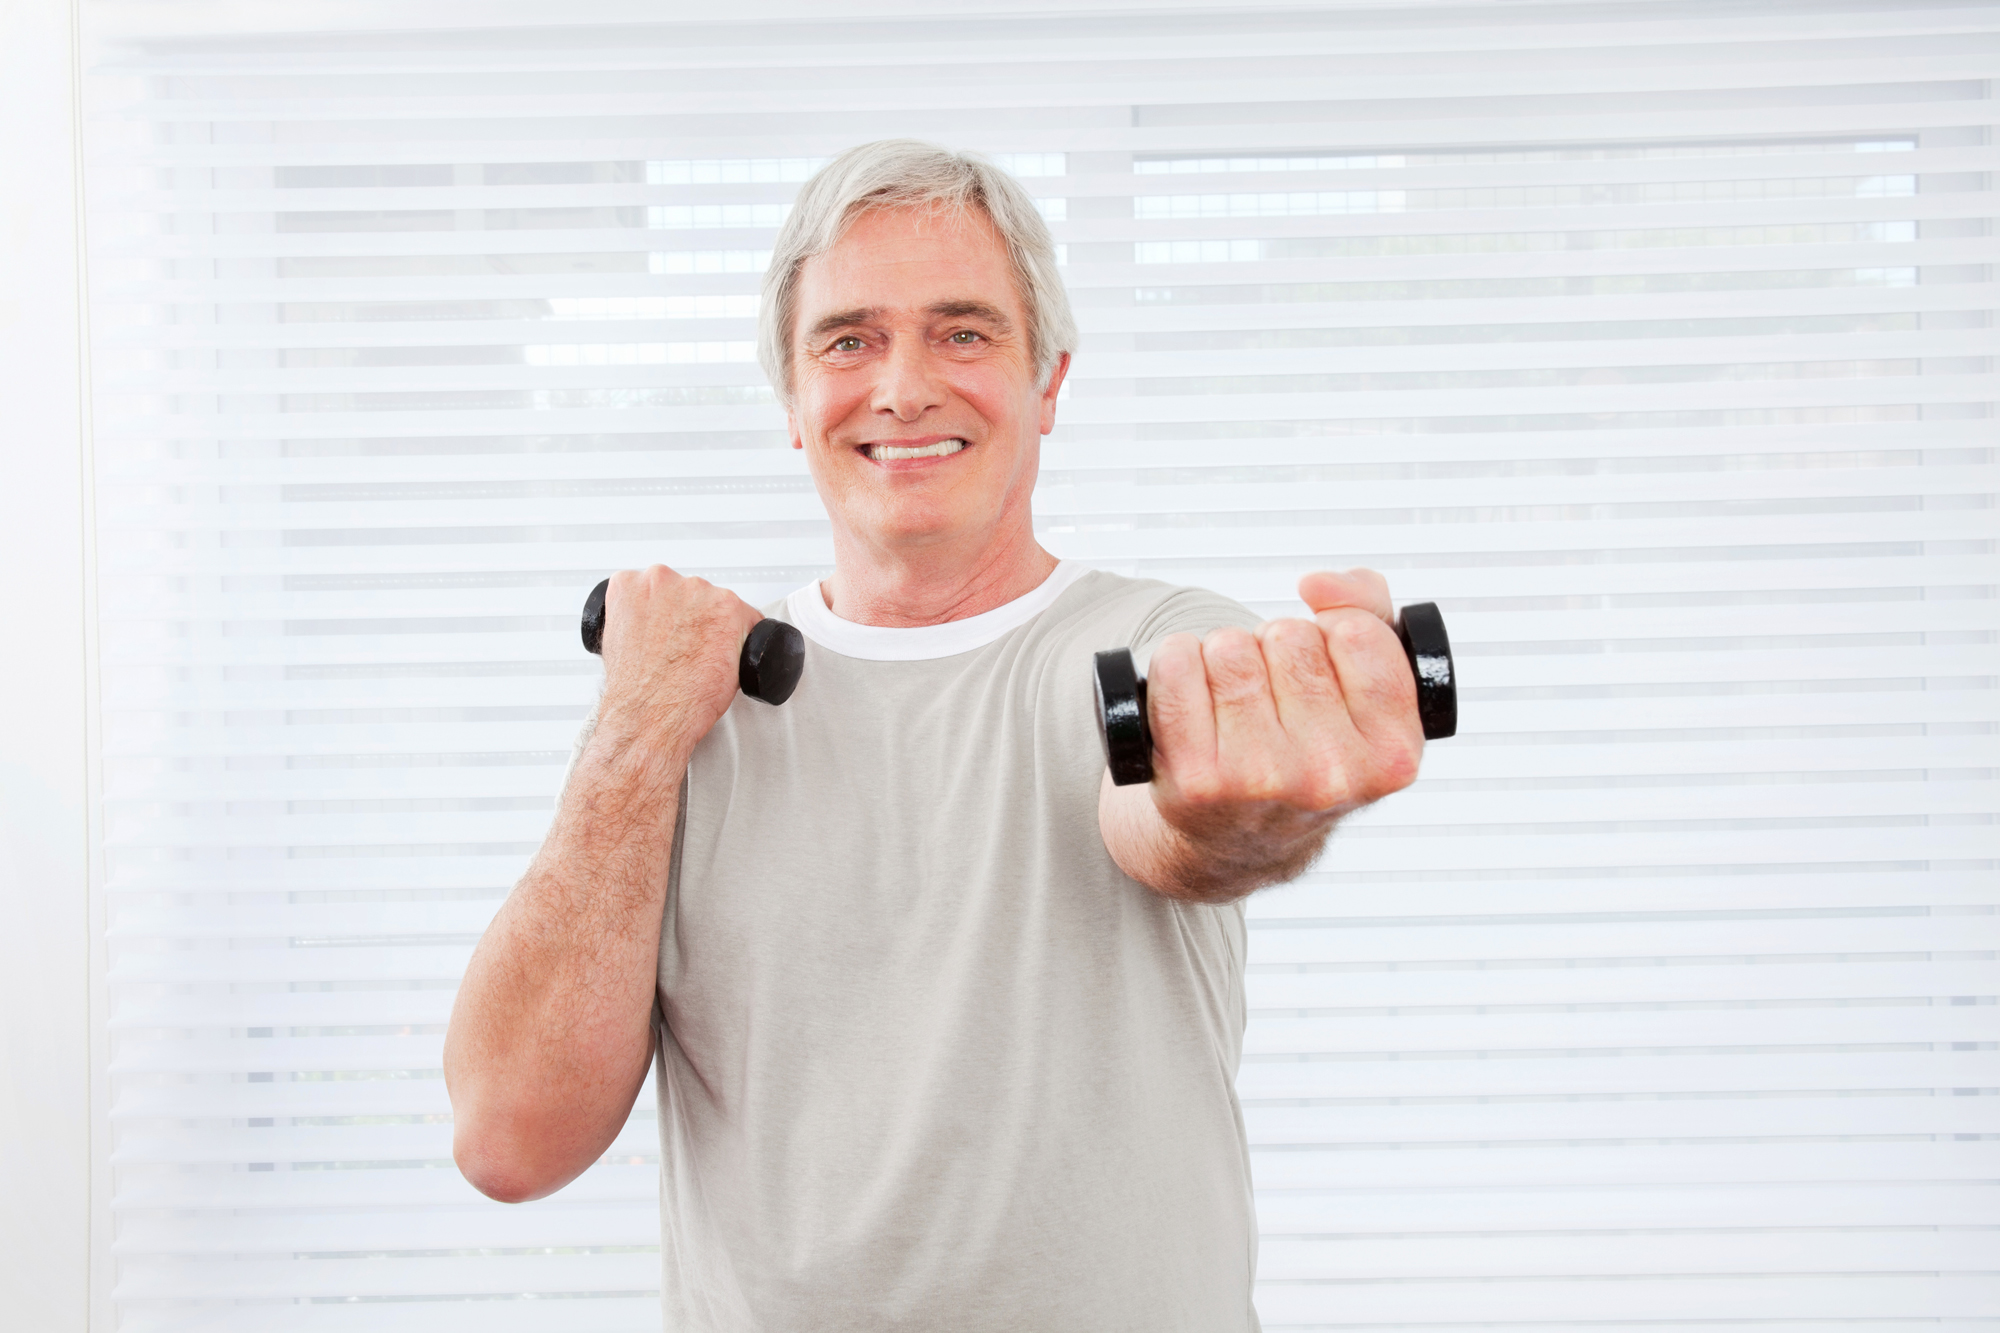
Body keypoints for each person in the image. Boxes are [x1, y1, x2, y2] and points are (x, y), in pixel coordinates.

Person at [443, 140, 1424, 1332]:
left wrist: (1236, 798)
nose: (901, 386)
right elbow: (509, 1139)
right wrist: (638, 729)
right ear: (793, 405)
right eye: (847, 340)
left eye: (962, 332)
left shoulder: (1152, 640)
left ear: (1048, 381)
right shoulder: (686, 703)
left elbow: (1175, 813)